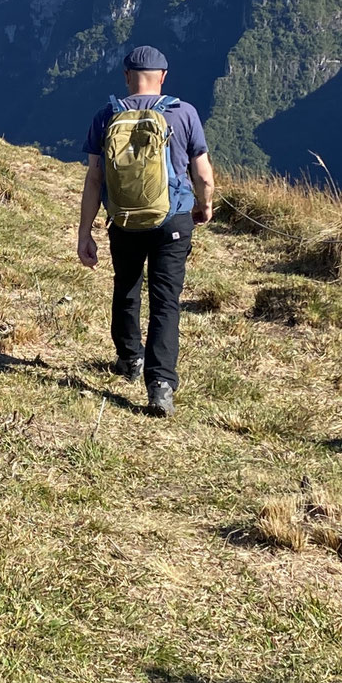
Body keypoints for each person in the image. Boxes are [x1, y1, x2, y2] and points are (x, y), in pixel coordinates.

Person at [76, 45, 215, 417]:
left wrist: (84, 233)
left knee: (127, 287)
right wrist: (204, 206)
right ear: (163, 76)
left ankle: (129, 359)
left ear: (126, 76)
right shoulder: (184, 113)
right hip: (172, 219)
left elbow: (94, 179)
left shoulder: (106, 115)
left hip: (123, 219)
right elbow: (202, 174)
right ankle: (161, 385)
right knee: (166, 300)